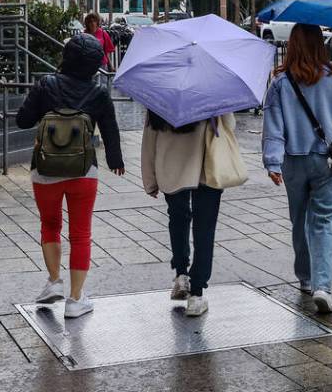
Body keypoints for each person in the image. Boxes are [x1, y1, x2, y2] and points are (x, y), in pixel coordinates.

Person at [16, 34, 124, 318]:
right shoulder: (99, 92)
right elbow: (111, 131)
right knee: (81, 233)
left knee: (50, 224)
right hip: (84, 171)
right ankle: (76, 299)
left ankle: (54, 282)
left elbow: (22, 120)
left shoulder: (46, 85)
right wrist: (116, 161)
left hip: (45, 169)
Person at [262, 24, 332, 314]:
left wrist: (272, 161)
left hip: (293, 160)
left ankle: (305, 277)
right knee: (326, 219)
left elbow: (273, 127)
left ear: (291, 46)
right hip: (328, 160)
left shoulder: (280, 83)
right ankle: (322, 285)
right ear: (320, 45)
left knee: (300, 218)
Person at [141, 111, 224, 317]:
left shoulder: (160, 95)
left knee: (178, 219)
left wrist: (149, 179)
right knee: (205, 229)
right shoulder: (214, 94)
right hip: (207, 168)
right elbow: (225, 129)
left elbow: (149, 139)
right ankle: (197, 293)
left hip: (170, 167)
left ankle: (181, 273)